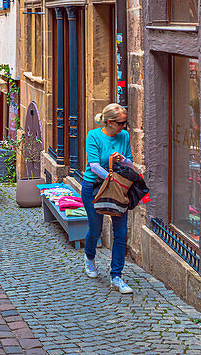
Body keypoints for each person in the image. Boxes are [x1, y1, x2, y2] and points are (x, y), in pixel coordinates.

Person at [82, 103, 134, 294]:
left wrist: (123, 160)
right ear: (110, 122)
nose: (124, 127)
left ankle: (117, 276)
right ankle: (89, 258)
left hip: (118, 190)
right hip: (94, 187)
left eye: (125, 123)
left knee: (120, 232)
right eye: (121, 123)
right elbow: (94, 165)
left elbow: (131, 162)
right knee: (95, 230)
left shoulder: (124, 136)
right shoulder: (93, 136)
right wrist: (112, 179)